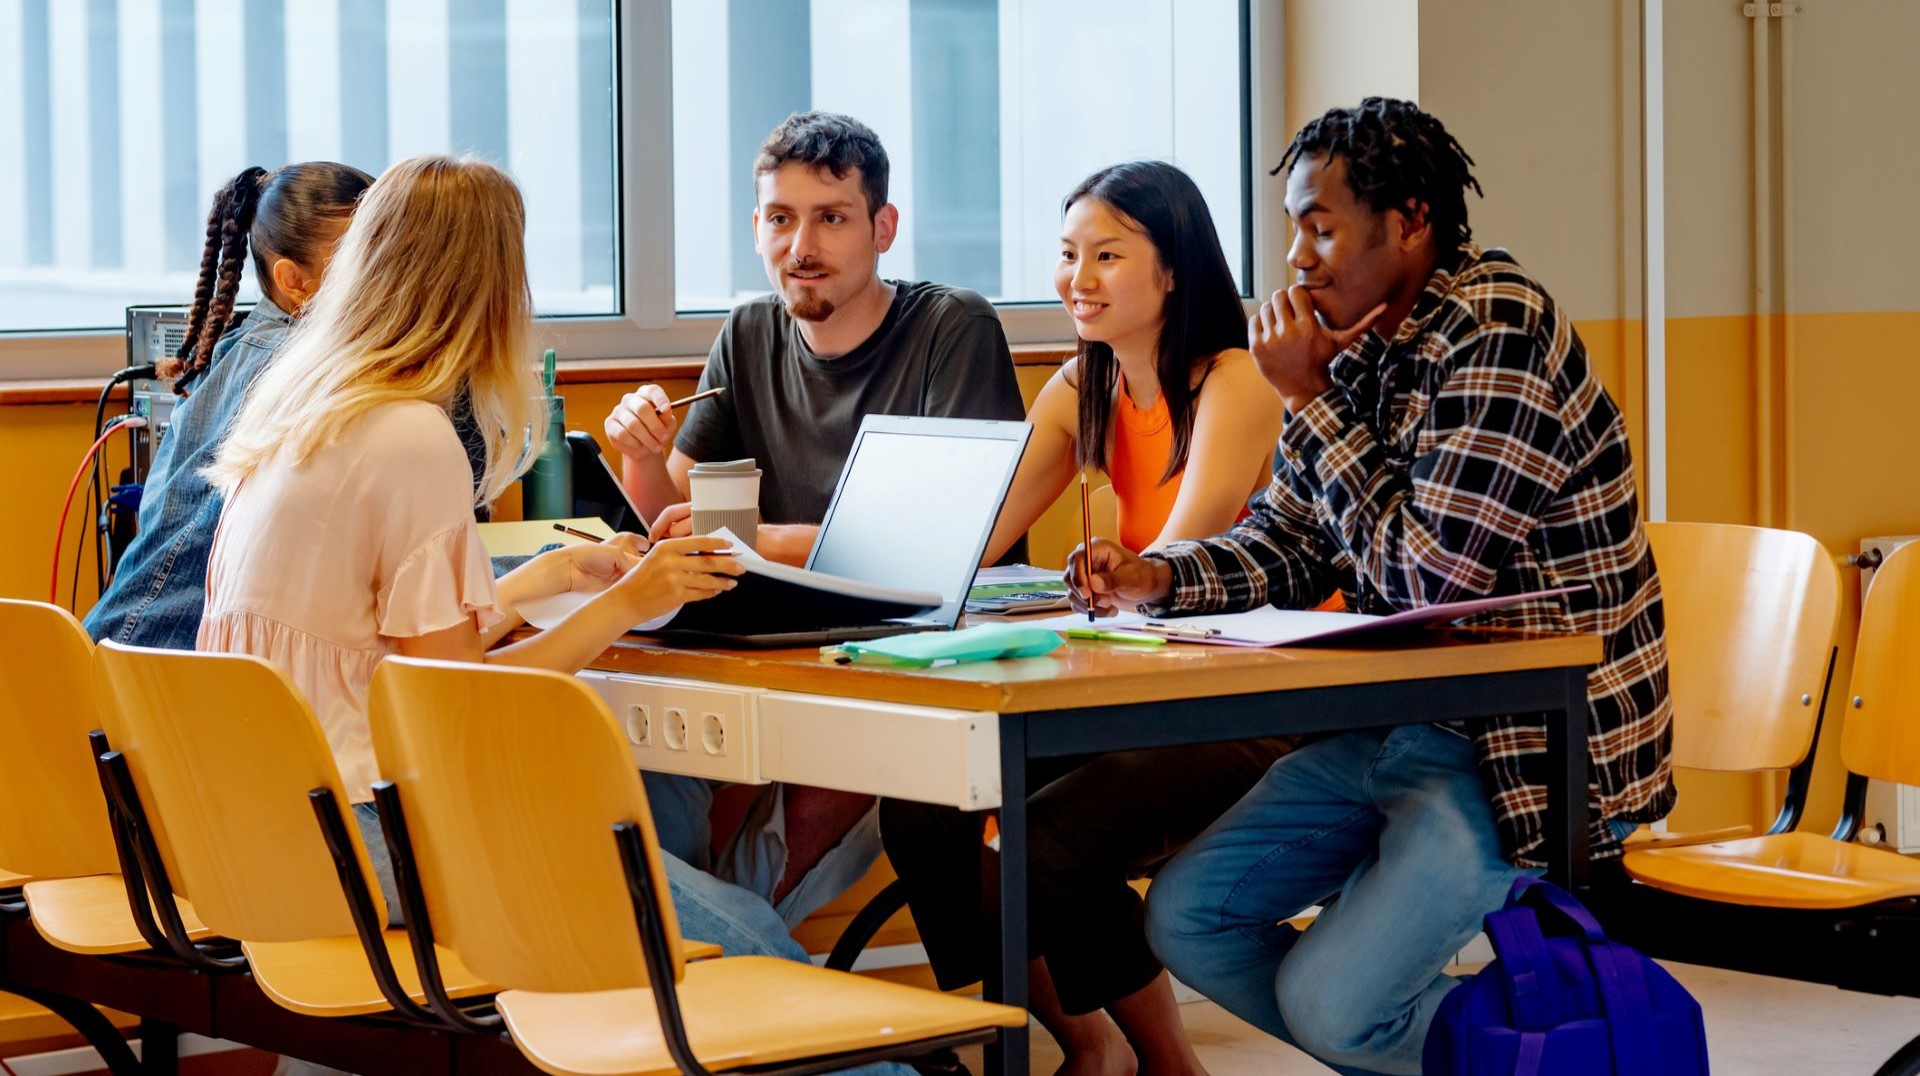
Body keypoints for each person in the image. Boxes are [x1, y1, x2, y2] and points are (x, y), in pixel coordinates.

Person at [197, 155, 911, 1076]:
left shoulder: (299, 416)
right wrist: (627, 602)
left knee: (672, 871)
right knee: (742, 935)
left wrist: (533, 585)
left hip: (271, 830)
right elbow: (454, 711)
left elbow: (369, 652)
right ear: (490, 288)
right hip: (371, 838)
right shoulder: (411, 437)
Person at [1066, 99, 1672, 1075]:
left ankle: (1565, 1056)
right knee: (1189, 918)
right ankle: (1509, 1052)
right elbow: (1290, 541)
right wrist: (1156, 576)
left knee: (1332, 1006)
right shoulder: (1353, 341)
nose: (1296, 257)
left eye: (1321, 226)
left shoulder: (1498, 330)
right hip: (1400, 721)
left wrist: (1307, 396)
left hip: (1528, 746)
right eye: (1292, 228)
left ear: (1411, 222)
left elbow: (1428, 574)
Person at [880, 161, 1292, 1076]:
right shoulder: (1079, 387)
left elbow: (1183, 561)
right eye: (1068, 254)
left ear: (1174, 269)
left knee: (1045, 836)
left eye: (1107, 255)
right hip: (1142, 686)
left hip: (1258, 698)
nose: (1079, 278)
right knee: (923, 806)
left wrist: (1117, 582)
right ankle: (1086, 1044)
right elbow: (975, 537)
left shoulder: (1236, 379)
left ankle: (1169, 1064)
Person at [604, 111, 1026, 925]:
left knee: (780, 828)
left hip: (913, 658)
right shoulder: (749, 330)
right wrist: (642, 457)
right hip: (774, 651)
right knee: (652, 767)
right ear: (756, 229)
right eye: (780, 219)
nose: (801, 246)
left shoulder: (951, 326)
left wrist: (761, 543)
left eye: (831, 218)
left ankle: (727, 951)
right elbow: (679, 522)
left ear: (882, 228)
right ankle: (700, 951)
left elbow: (938, 549)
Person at [85, 162, 373, 648]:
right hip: (153, 660)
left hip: (113, 642)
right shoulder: (297, 372)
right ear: (294, 280)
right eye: (367, 256)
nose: (390, 274)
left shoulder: (239, 349)